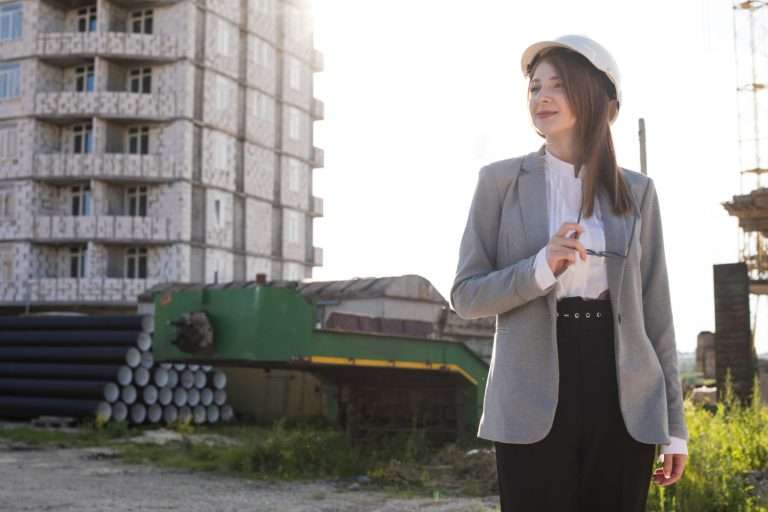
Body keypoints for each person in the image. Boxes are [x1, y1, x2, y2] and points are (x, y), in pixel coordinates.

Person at [450, 34, 689, 511]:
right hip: (530, 388)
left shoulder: (638, 192)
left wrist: (674, 427)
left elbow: (656, 311)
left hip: (625, 394)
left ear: (595, 95)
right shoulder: (499, 182)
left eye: (557, 85)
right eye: (535, 88)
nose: (542, 98)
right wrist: (540, 267)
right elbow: (466, 295)